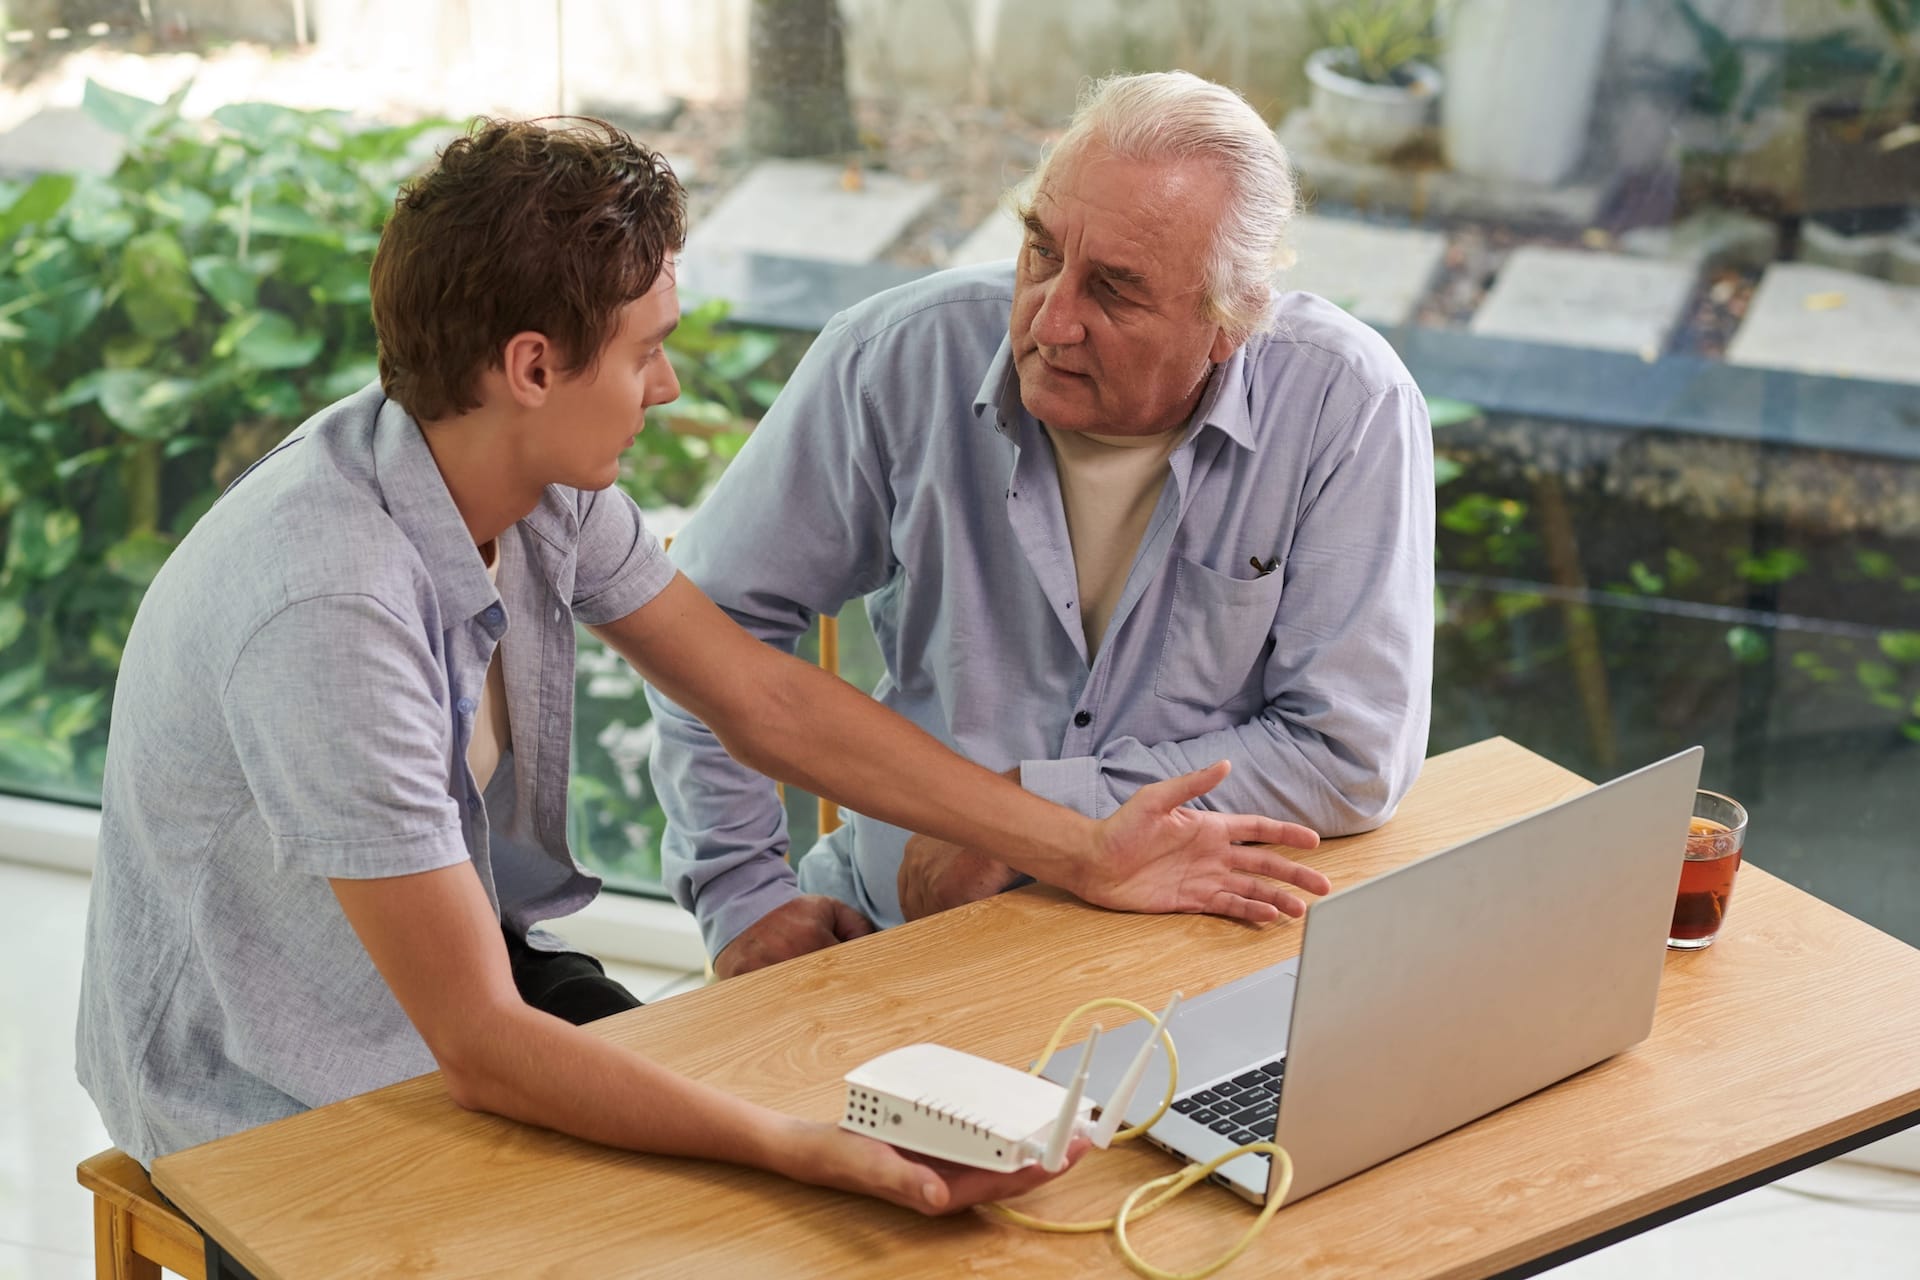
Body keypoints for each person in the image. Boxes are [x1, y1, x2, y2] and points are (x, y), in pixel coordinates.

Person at [74, 115, 1326, 1214]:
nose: (667, 385)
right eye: (644, 351)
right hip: (272, 1086)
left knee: (824, 1180)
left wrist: (1083, 849)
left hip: (459, 977)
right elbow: (480, 1045)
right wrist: (795, 1145)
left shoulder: (523, 473)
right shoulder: (331, 607)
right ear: (531, 366)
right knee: (756, 1196)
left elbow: (761, 695)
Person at [650, 70, 1434, 979]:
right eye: (1040, 251)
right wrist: (744, 896)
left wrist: (1025, 820)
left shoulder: (1348, 405)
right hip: (901, 919)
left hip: (1193, 938)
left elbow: (1348, 751)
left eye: (1115, 289)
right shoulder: (896, 358)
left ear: (1233, 322)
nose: (1050, 319)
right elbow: (704, 630)